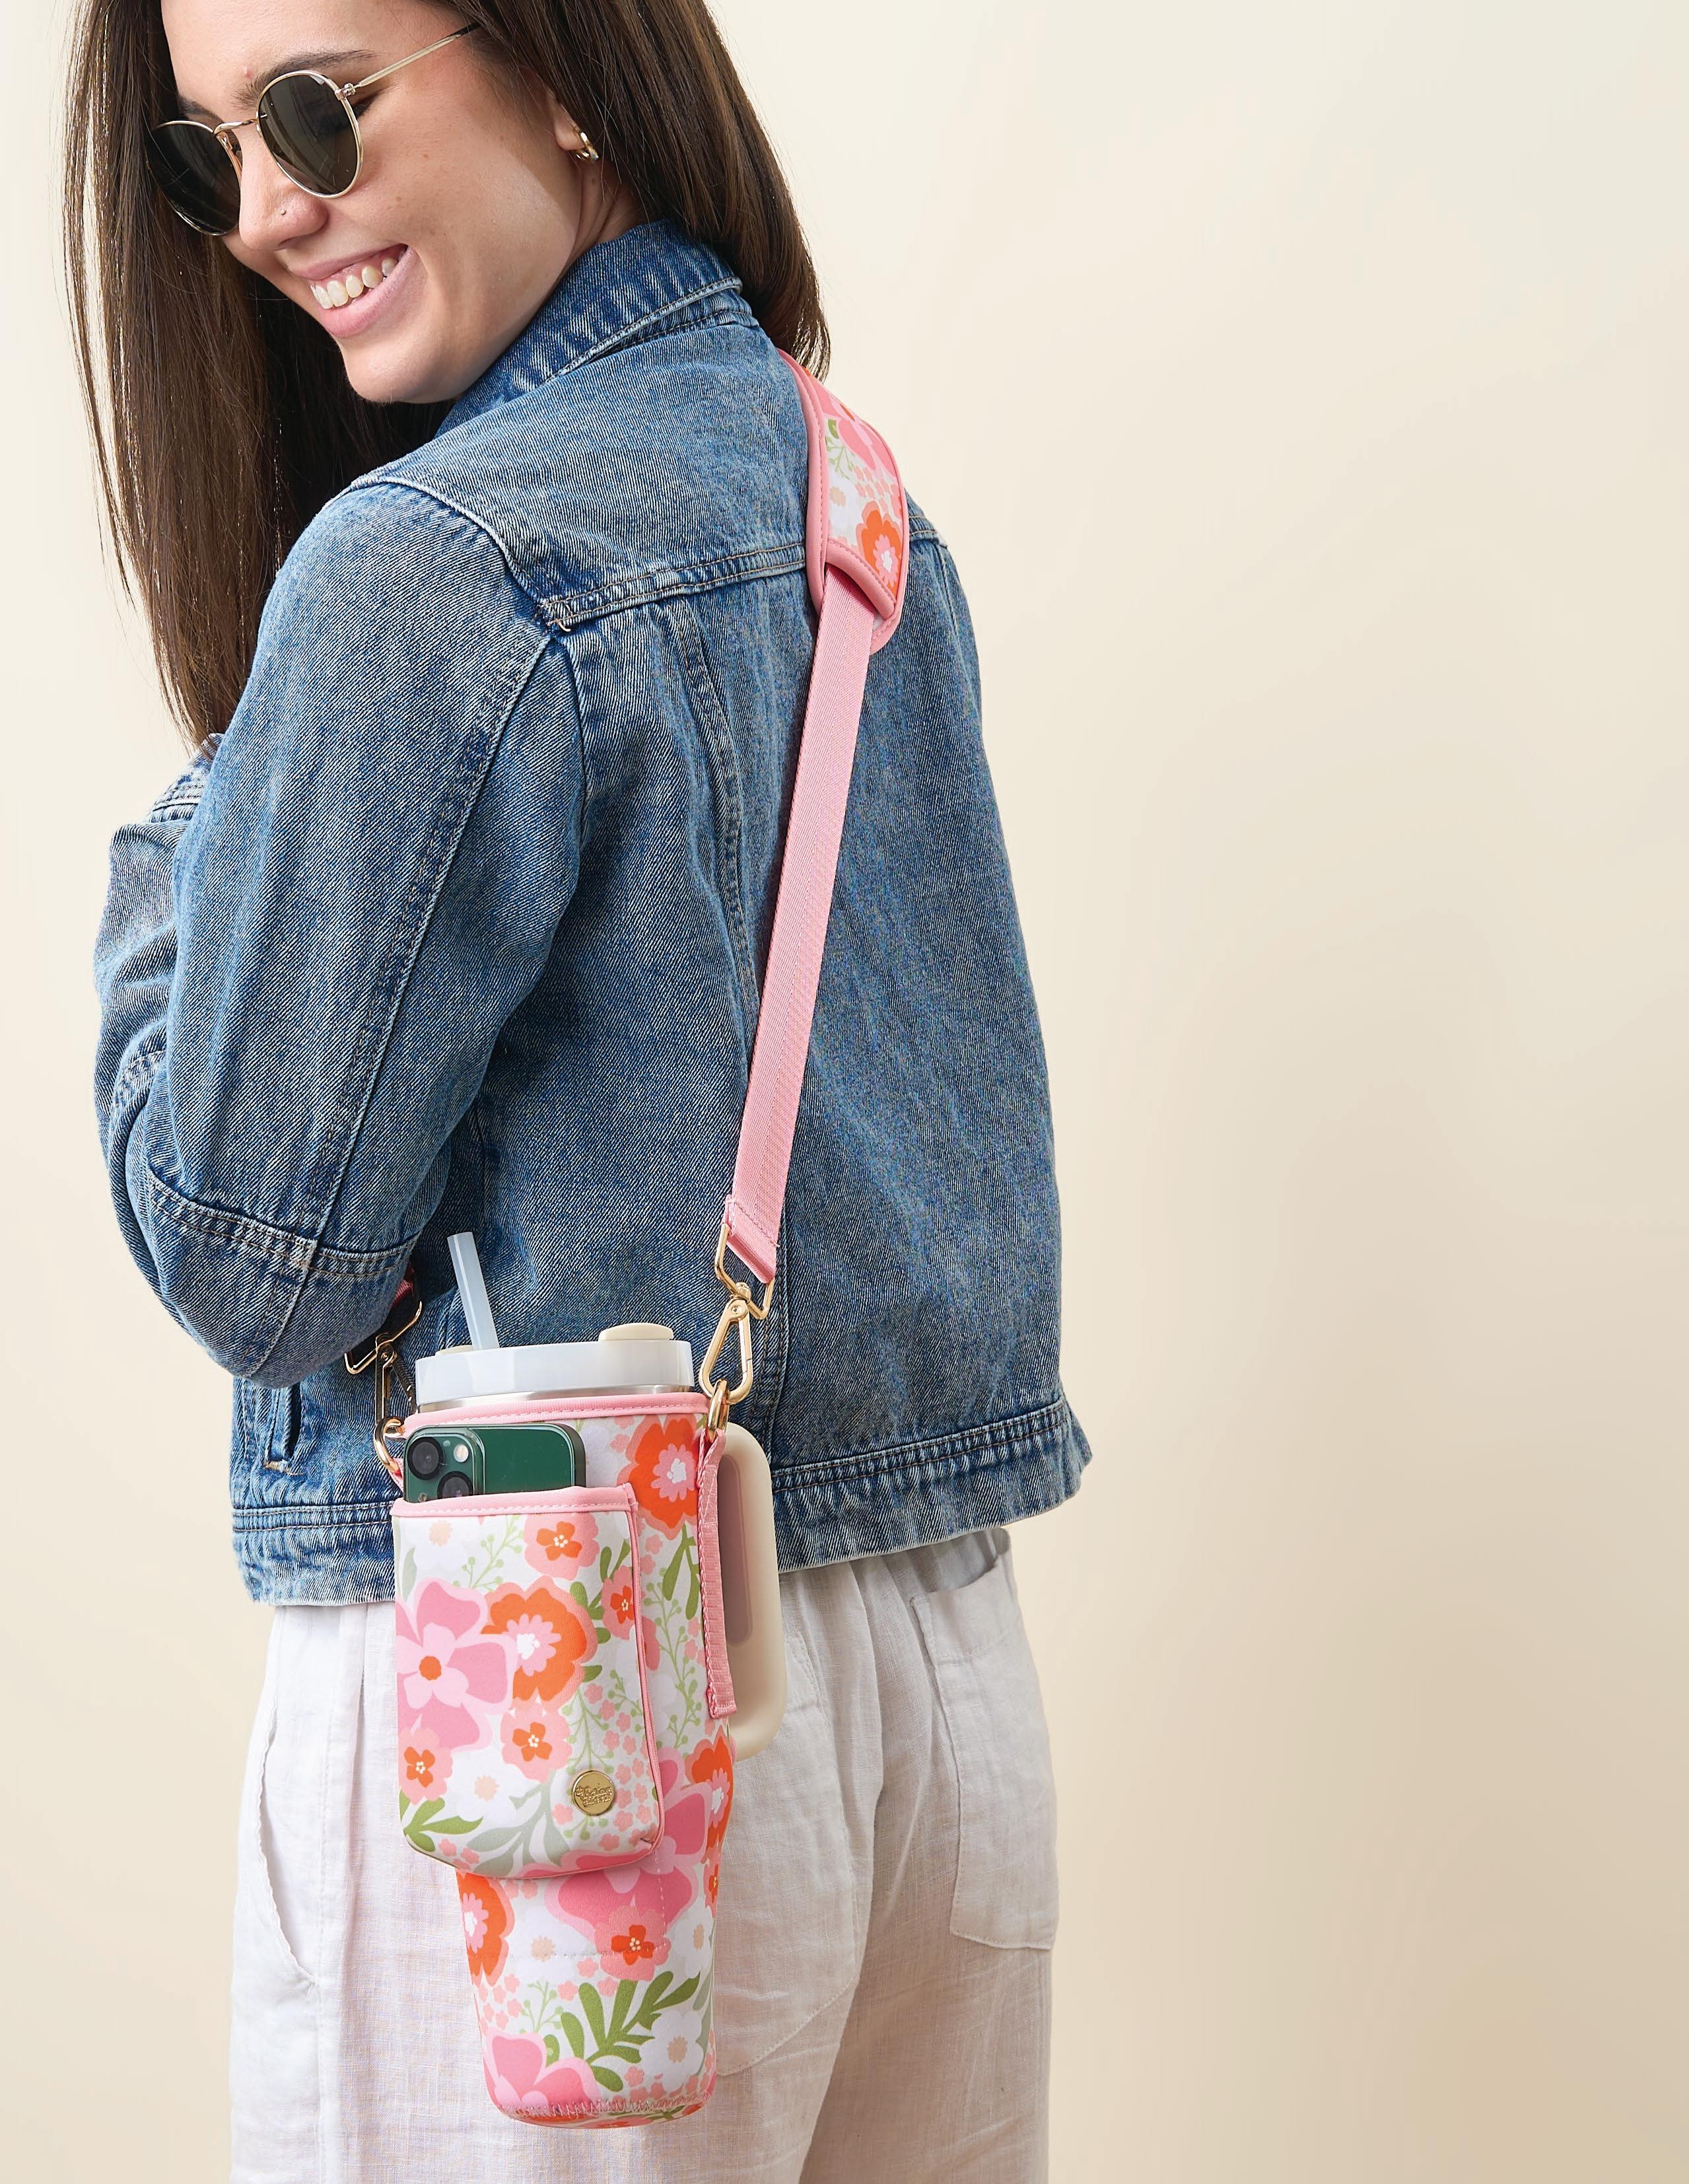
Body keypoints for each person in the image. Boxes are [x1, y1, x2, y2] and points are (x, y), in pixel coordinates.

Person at [73, 2, 1089, 2175]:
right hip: (938, 1708)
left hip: (549, 1710)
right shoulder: (850, 495)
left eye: (319, 109)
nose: (266, 212)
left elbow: (252, 1259)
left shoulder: (426, 568)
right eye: (206, 154)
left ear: (560, 59)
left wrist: (188, 851)